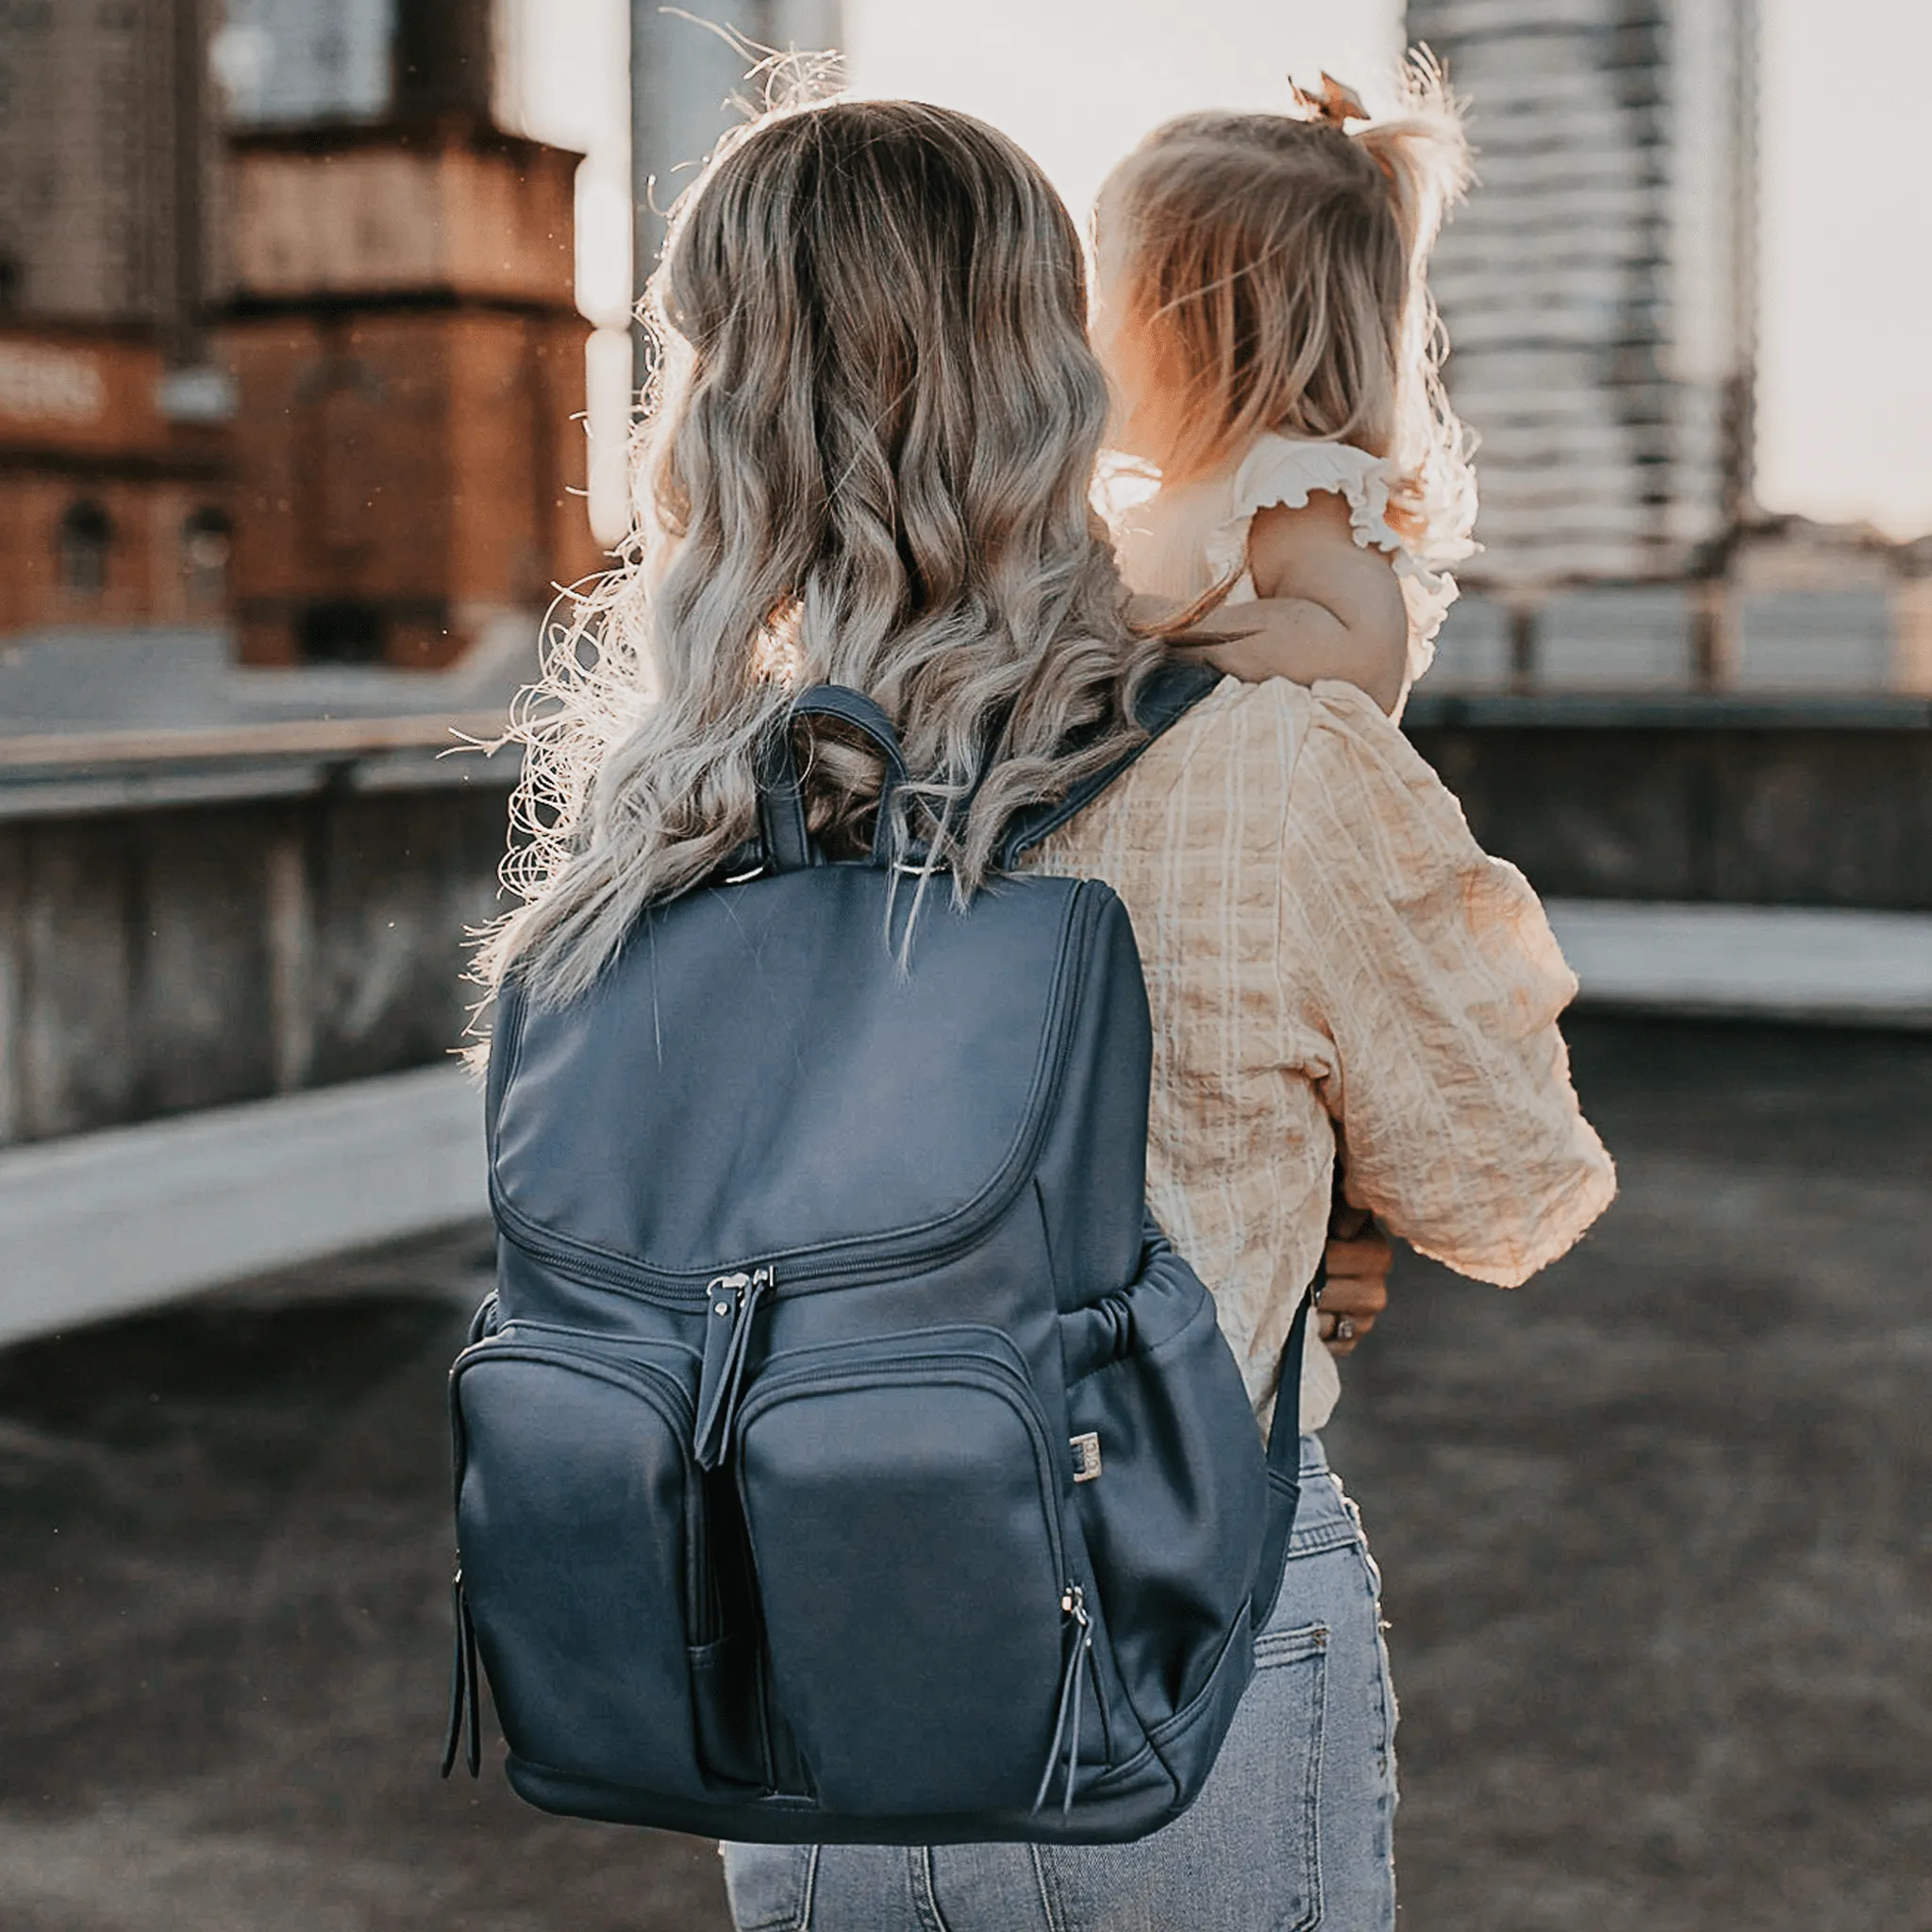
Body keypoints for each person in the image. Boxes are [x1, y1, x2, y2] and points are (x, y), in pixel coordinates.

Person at [481, 92, 1614, 1932]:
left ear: (711, 402)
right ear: (1051, 361)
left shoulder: (675, 802)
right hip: (1168, 1653)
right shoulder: (1265, 747)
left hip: (787, 1646)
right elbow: (1506, 1188)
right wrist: (1323, 1193)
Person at [1093, 58, 1476, 721]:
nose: (1092, 327)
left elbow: (1362, 649)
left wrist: (1150, 625)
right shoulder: (1188, 495)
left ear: (1196, 328)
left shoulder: (1289, 484)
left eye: (1112, 295)